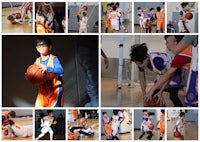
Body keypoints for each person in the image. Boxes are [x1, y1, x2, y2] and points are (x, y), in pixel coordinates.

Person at [130, 36, 184, 107]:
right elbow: (142, 80)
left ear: (147, 58)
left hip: (175, 73)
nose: (139, 66)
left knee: (173, 96)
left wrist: (161, 92)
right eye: (137, 64)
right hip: (166, 74)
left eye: (140, 63)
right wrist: (144, 95)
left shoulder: (157, 61)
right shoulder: (141, 62)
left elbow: (168, 76)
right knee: (153, 95)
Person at [145, 35, 196, 107]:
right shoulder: (189, 49)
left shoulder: (181, 56)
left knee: (178, 97)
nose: (166, 44)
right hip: (185, 79)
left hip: (182, 80)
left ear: (176, 42)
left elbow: (167, 75)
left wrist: (152, 90)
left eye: (167, 42)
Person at [34, 36, 64, 107]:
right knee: (37, 107)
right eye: (39, 45)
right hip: (42, 91)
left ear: (49, 47)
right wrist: (31, 78)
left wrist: (48, 68)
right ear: (36, 48)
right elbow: (34, 76)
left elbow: (61, 70)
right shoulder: (36, 61)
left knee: (54, 107)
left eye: (43, 44)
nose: (41, 47)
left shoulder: (54, 59)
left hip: (54, 89)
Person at [77, 36, 98, 107]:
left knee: (90, 75)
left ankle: (94, 100)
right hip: (87, 45)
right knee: (90, 75)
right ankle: (94, 100)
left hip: (86, 45)